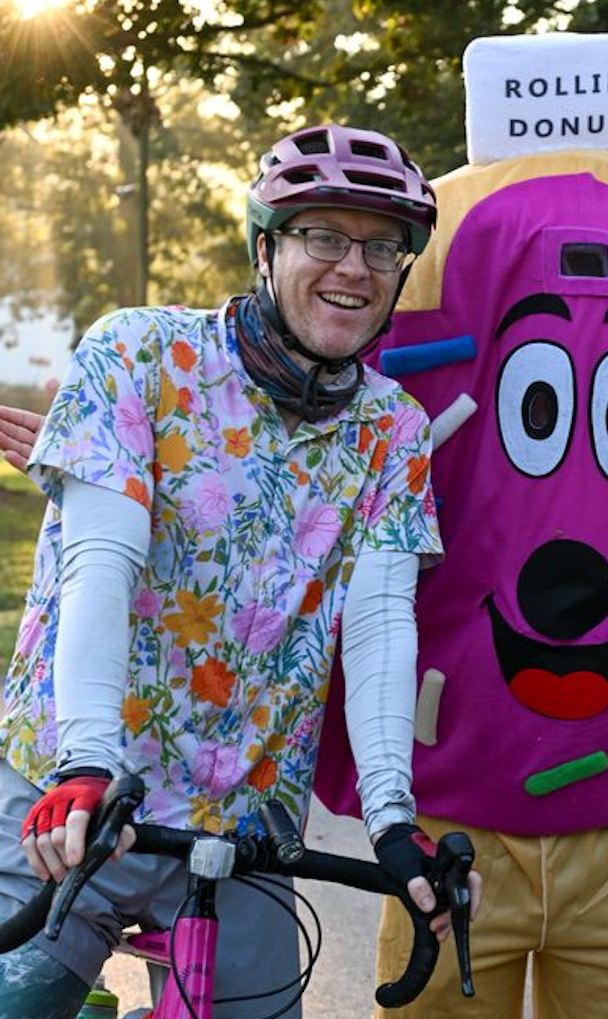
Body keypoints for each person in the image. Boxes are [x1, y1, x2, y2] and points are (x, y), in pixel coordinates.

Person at [0, 124, 480, 1019]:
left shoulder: (394, 429)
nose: (355, 267)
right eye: (323, 236)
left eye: (383, 246)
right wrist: (85, 766)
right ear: (266, 247)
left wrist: (391, 821)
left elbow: (378, 625)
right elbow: (103, 562)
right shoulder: (140, 355)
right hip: (78, 800)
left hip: (247, 830)